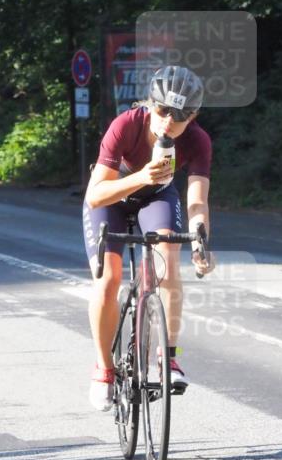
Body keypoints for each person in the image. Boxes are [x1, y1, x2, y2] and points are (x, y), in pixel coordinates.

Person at [82, 65, 215, 411]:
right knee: (108, 280)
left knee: (167, 264)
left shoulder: (198, 140)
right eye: (162, 110)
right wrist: (142, 176)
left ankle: (168, 358)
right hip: (111, 197)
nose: (169, 121)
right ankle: (104, 369)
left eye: (181, 115)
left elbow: (197, 200)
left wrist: (201, 241)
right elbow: (96, 195)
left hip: (156, 198)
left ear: (194, 116)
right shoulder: (126, 124)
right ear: (150, 103)